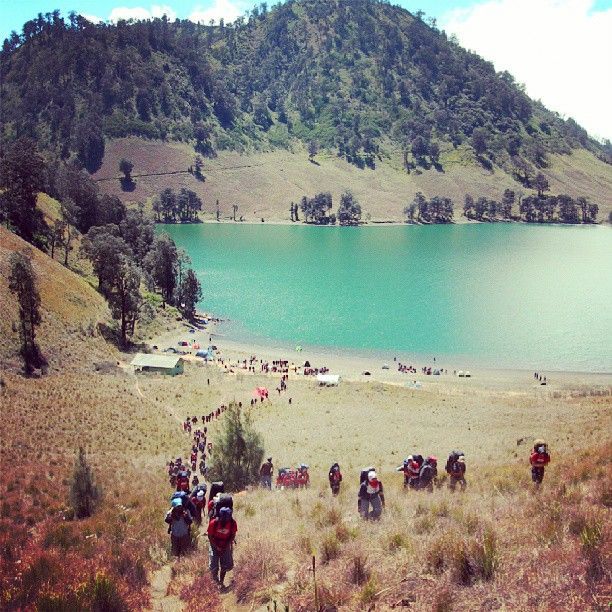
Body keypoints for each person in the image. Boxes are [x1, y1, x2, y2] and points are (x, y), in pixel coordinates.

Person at [207, 507, 237, 588]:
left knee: (225, 564)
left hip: (226, 544)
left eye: (226, 519)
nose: (225, 520)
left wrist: (225, 546)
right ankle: (215, 581)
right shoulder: (214, 523)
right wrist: (216, 547)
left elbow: (232, 535)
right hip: (214, 544)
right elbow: (210, 536)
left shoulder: (232, 523)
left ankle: (221, 581)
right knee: (213, 563)